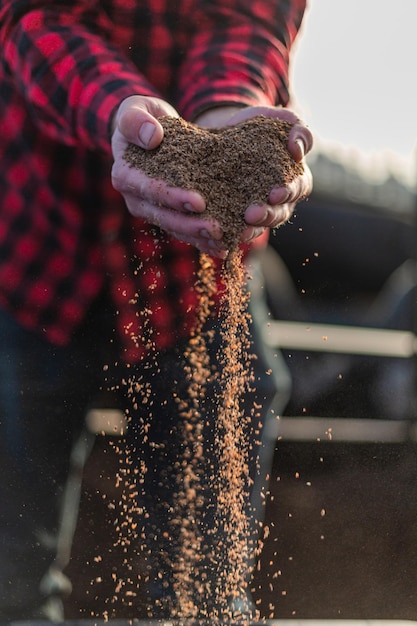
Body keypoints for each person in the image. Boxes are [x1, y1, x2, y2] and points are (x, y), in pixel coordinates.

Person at [0, 0, 313, 621]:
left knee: (204, 595)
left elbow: (249, 20)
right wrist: (123, 111)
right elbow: (35, 19)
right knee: (13, 581)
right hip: (42, 251)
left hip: (194, 283)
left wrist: (231, 110)